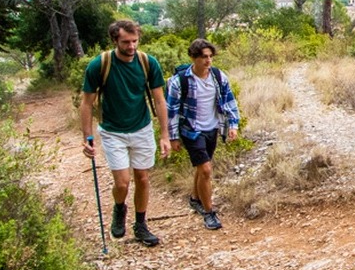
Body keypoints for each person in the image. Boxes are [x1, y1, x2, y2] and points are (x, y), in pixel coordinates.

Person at [80, 20, 171, 247]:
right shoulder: (100, 64)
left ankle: (140, 224)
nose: (131, 46)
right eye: (125, 42)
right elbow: (87, 103)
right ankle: (119, 208)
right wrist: (87, 138)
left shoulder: (147, 62)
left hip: (142, 128)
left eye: (134, 41)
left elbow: (160, 100)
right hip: (112, 131)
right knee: (122, 183)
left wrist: (165, 135)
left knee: (143, 178)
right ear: (115, 41)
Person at [167, 38, 241, 231]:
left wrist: (233, 125)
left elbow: (229, 100)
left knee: (202, 168)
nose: (208, 60)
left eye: (210, 56)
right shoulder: (180, 81)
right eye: (203, 57)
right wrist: (172, 137)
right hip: (191, 131)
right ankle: (209, 213)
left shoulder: (217, 76)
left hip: (213, 128)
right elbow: (171, 111)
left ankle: (195, 198)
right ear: (193, 58)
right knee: (206, 170)